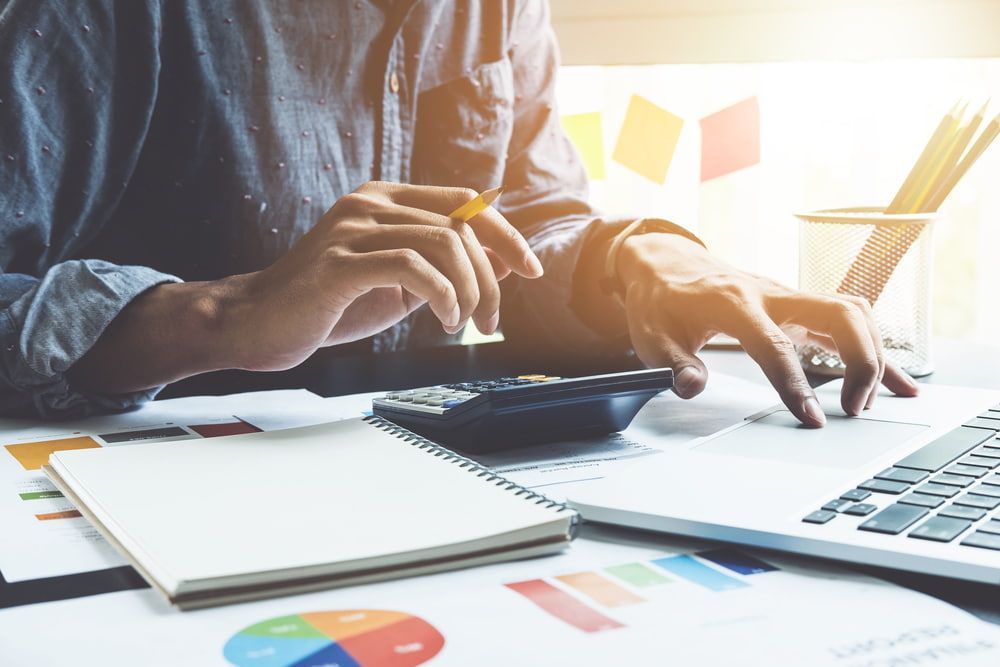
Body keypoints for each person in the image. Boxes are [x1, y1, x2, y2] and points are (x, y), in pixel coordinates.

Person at [0, 1, 917, 423]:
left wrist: (632, 260)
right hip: (153, 513)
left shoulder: (507, 10)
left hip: (423, 479)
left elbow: (526, 230)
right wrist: (221, 316)